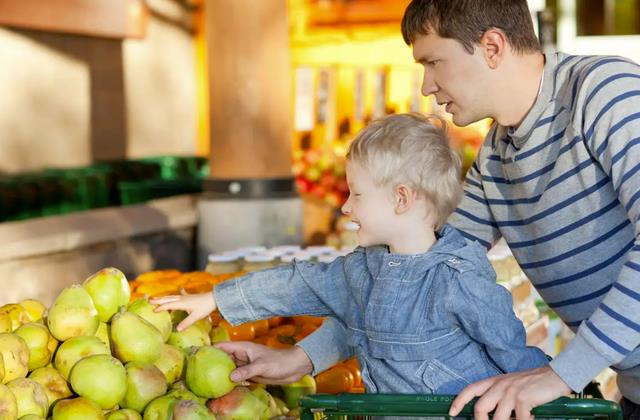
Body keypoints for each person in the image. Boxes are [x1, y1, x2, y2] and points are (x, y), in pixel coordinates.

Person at [166, 1, 640, 419]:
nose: (427, 86)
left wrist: (561, 375)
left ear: (492, 47)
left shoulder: (603, 94)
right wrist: (304, 358)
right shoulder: (497, 156)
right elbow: (407, 283)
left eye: (434, 62)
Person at [153, 112, 549, 396]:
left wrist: (555, 393)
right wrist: (217, 298)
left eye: (356, 194)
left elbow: (512, 354)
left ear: (401, 199)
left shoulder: (457, 278)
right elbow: (302, 285)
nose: (345, 207)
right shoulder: (363, 269)